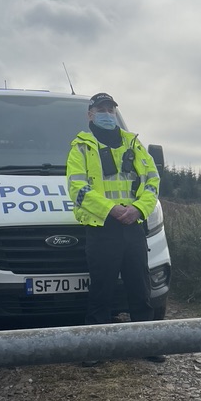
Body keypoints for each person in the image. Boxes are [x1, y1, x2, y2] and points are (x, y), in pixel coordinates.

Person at [66, 91, 166, 363]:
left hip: (133, 225)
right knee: (101, 291)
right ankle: (94, 348)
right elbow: (77, 188)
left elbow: (152, 181)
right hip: (102, 228)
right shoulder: (81, 147)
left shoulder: (133, 144)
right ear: (90, 114)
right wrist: (111, 209)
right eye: (101, 109)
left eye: (110, 110)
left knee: (140, 288)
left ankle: (147, 344)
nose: (107, 114)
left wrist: (138, 209)